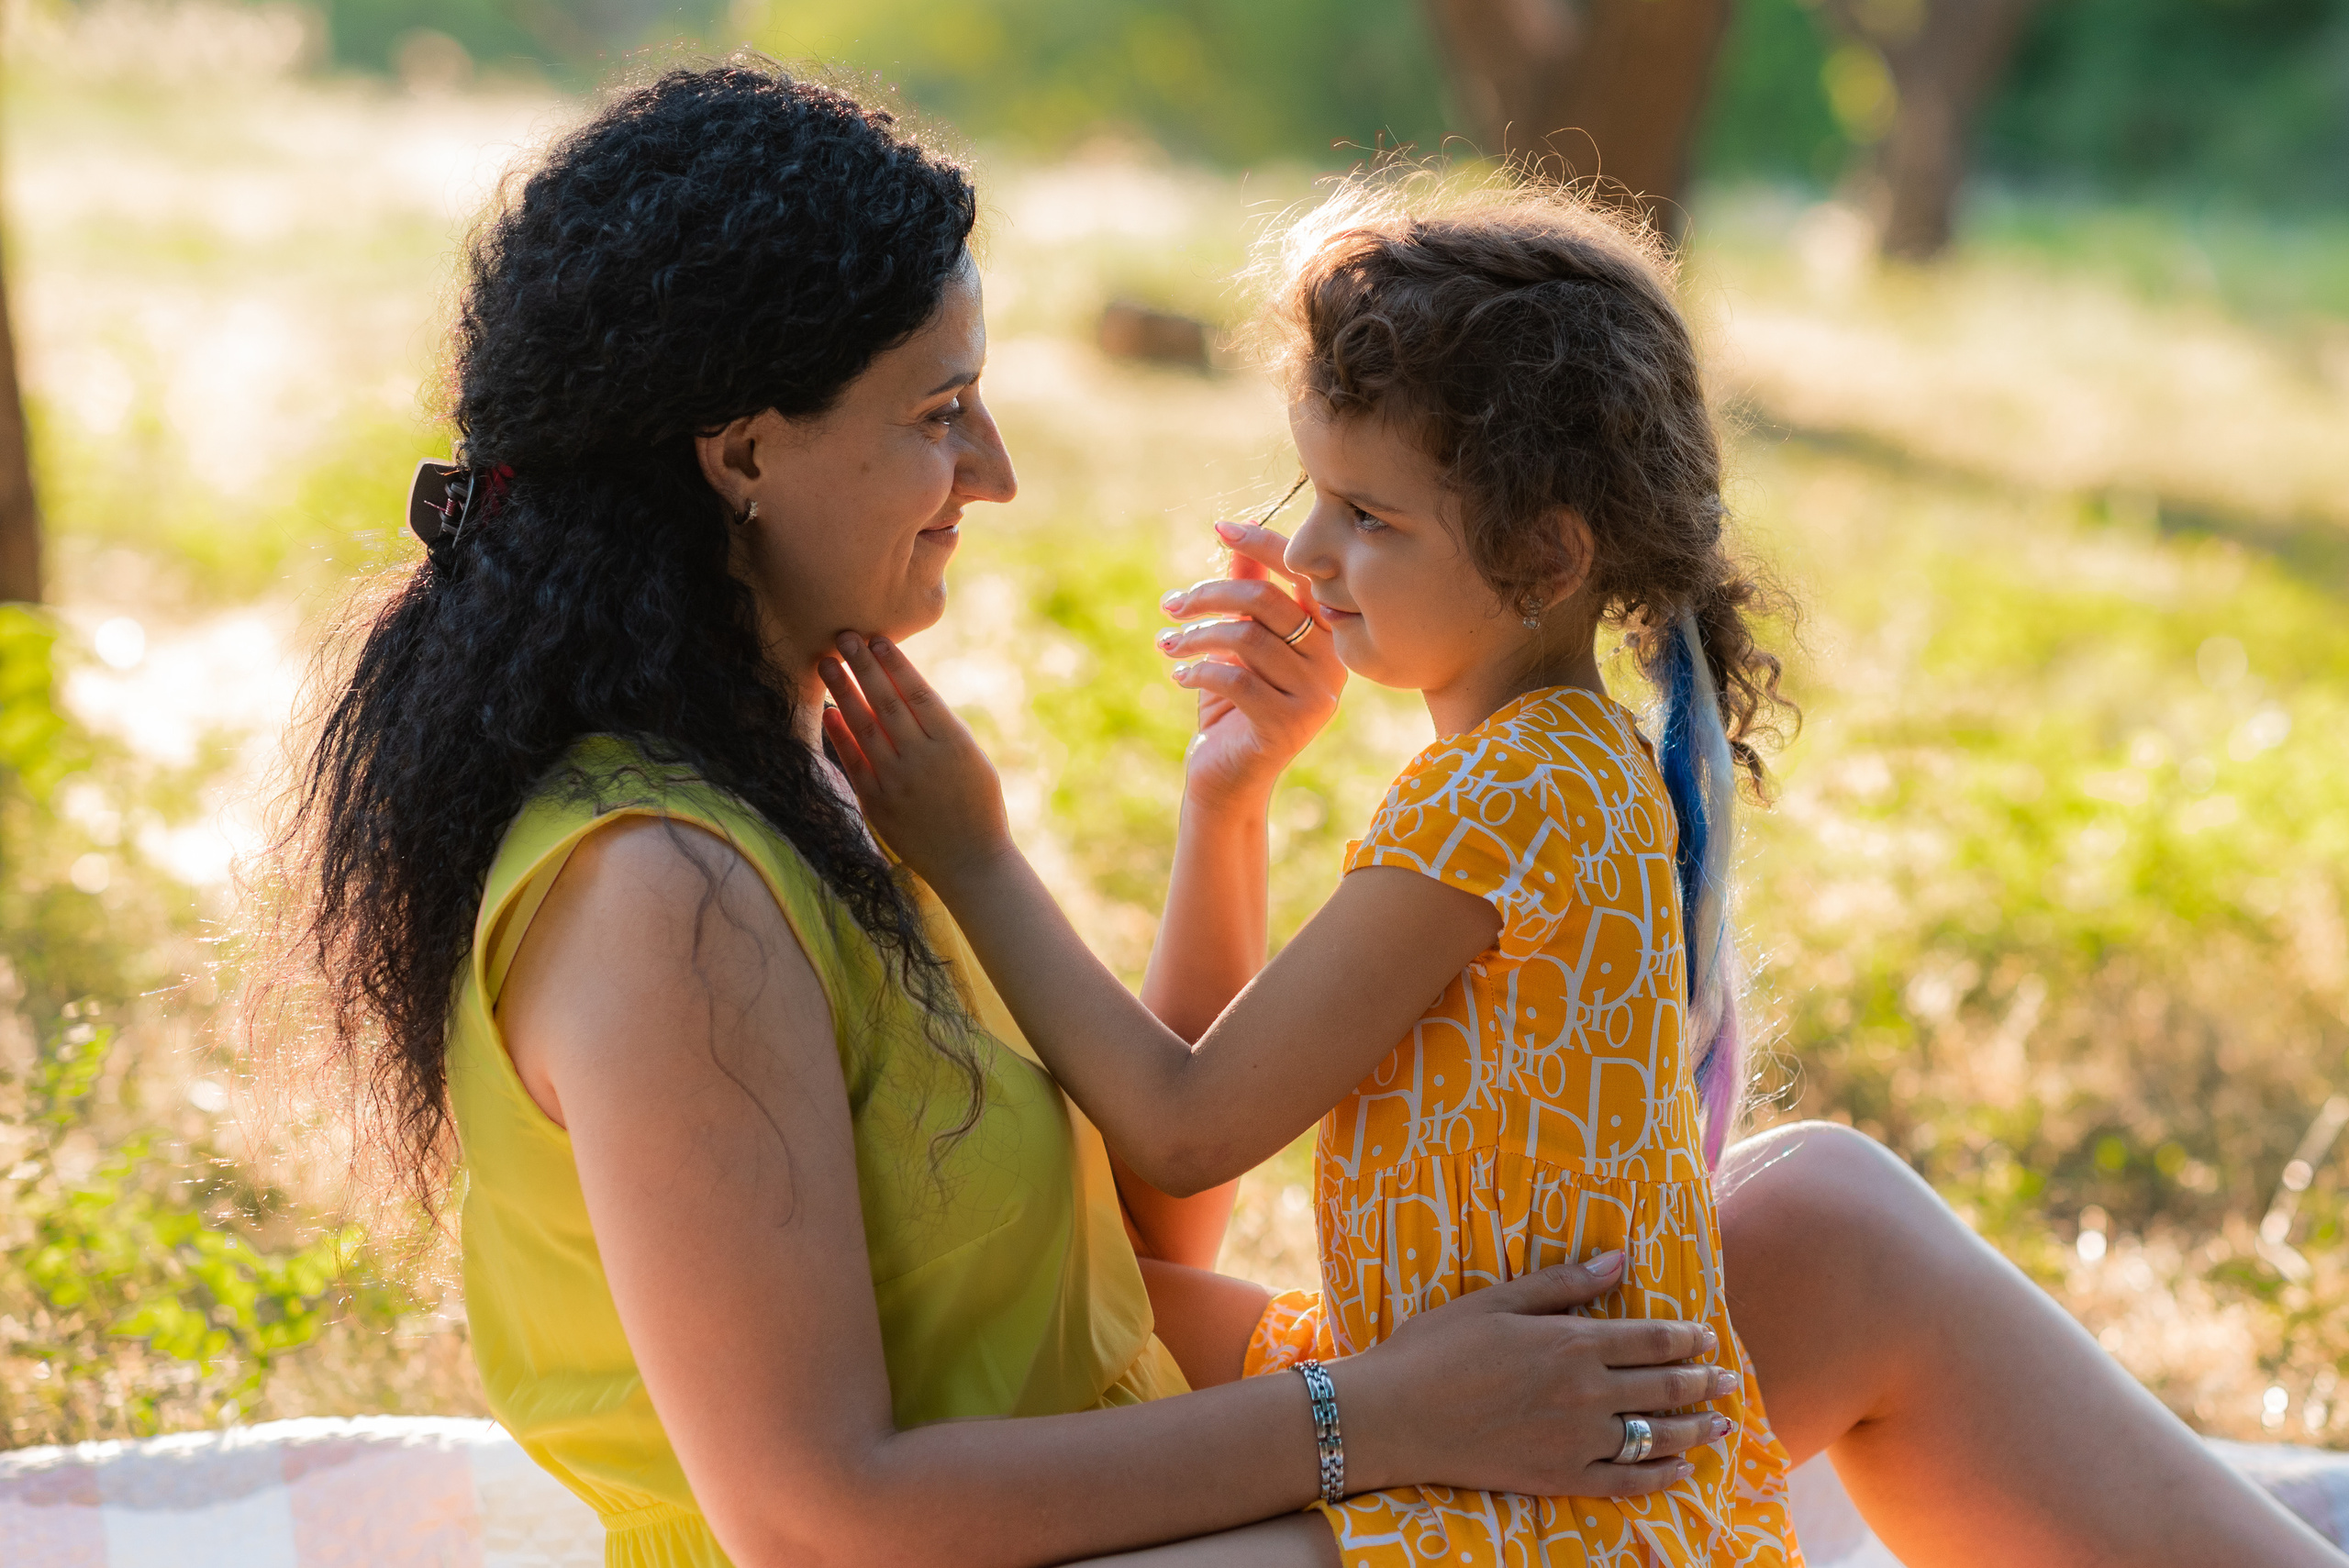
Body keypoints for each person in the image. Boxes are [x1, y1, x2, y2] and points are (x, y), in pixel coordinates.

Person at [270, 56, 2343, 1568]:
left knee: (1813, 1219)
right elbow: (820, 1516)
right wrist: (1374, 1418)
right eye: (933, 412)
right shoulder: (660, 893)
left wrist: (1226, 807)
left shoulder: (801, 757)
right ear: (740, 451)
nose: (987, 472)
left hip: (1104, 1460)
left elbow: (1136, 1214)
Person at [814, 175, 2349, 1568]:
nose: (1313, 559)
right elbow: (1151, 1235)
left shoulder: (1502, 795)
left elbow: (1188, 1122)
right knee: (1128, 1320)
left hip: (1520, 1506)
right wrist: (1233, 795)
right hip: (1519, 1418)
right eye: (1313, 498)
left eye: (1371, 517)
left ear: (1545, 561)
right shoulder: (1578, 761)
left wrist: (975, 848)